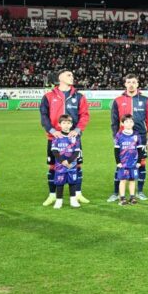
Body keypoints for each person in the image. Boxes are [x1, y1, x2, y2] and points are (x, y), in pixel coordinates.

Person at [40, 69, 90, 207]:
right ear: (60, 77)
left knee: (77, 165)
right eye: (69, 75)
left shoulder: (79, 96)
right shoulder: (48, 96)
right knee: (53, 166)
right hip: (54, 138)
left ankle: (78, 194)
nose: (72, 77)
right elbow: (43, 116)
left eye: (72, 75)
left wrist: (78, 129)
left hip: (73, 139)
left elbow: (84, 115)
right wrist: (52, 130)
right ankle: (52, 195)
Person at [109, 74, 148, 201]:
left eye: (133, 82)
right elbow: (114, 120)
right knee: (120, 164)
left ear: (137, 84)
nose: (131, 84)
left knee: (141, 163)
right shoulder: (118, 100)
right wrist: (115, 136)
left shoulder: (145, 100)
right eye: (128, 82)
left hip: (140, 136)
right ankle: (115, 192)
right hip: (123, 137)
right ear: (125, 84)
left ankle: (140, 191)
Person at [50, 114, 83, 209]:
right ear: (59, 124)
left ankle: (73, 200)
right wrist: (62, 161)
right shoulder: (57, 137)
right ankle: (59, 201)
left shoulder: (75, 137)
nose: (66, 125)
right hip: (60, 165)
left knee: (72, 183)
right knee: (59, 183)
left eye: (68, 123)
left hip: (71, 165)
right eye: (64, 123)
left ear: (71, 124)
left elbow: (76, 151)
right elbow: (54, 151)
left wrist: (69, 161)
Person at [114, 114, 144, 205]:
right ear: (122, 123)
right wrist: (118, 162)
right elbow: (116, 150)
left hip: (133, 162)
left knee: (132, 180)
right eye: (126, 122)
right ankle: (122, 198)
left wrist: (139, 161)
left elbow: (140, 149)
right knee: (123, 180)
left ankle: (132, 197)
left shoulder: (136, 135)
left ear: (133, 123)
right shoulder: (119, 135)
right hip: (123, 163)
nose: (129, 123)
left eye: (131, 121)